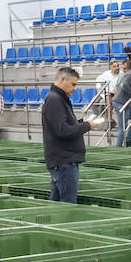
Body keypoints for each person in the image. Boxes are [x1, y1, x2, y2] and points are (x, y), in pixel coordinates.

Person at [42, 66, 95, 203]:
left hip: (62, 160)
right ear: (63, 79)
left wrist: (81, 122)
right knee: (68, 203)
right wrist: (87, 126)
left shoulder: (58, 98)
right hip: (64, 161)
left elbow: (62, 125)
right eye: (73, 84)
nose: (74, 88)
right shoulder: (55, 99)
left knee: (57, 202)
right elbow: (63, 131)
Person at [113, 58, 131, 147]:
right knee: (122, 128)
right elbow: (124, 85)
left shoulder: (129, 74)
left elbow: (123, 85)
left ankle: (129, 140)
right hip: (121, 103)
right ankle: (118, 148)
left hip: (125, 103)